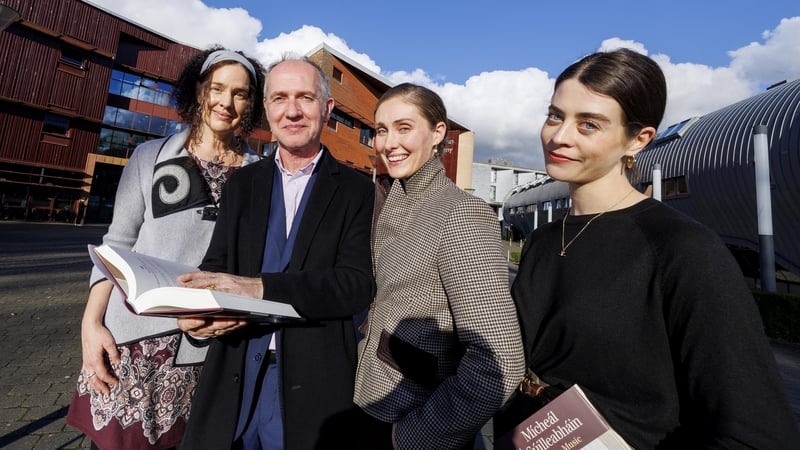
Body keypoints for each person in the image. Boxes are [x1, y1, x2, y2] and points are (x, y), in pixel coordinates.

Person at [495, 48, 800, 448]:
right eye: (556, 115)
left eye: (589, 124)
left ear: (637, 140)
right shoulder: (541, 242)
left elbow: (755, 433)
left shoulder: (681, 249)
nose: (559, 136)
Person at [66, 45, 266, 449]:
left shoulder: (261, 175)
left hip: (211, 346)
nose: (226, 102)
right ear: (198, 91)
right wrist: (91, 325)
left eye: (240, 93)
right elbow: (116, 246)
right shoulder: (148, 157)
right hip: (134, 343)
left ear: (251, 104)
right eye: (217, 88)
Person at [176, 55, 375, 450]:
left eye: (305, 97)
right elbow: (217, 266)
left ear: (327, 108)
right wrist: (196, 315)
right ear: (267, 109)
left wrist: (257, 289)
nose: (293, 111)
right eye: (280, 98)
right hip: (234, 369)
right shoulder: (242, 184)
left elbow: (355, 285)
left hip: (313, 380)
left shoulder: (358, 191)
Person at [353, 83, 525, 450]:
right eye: (381, 130)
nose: (388, 143)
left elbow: (500, 361)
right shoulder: (393, 199)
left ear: (437, 133)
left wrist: (418, 435)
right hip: (369, 406)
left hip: (409, 421)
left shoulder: (461, 214)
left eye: (404, 127)